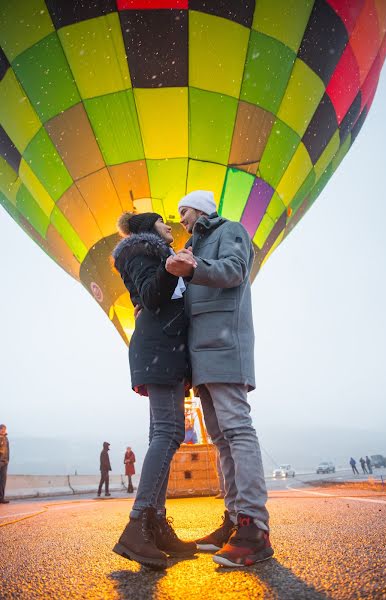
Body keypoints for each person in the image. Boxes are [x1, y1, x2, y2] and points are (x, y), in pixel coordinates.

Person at [165, 190, 273, 568]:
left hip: (225, 345)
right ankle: (232, 520)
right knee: (222, 439)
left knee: (237, 430)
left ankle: (254, 527)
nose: (179, 217)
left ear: (202, 209)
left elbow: (234, 270)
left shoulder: (231, 230)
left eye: (184, 210)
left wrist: (193, 269)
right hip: (200, 354)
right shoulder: (190, 245)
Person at [111, 211, 197, 570]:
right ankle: (137, 523)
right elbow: (150, 295)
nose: (169, 226)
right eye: (163, 221)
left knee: (162, 432)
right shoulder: (142, 251)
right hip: (159, 345)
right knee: (169, 431)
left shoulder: (154, 252)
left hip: (166, 347)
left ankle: (157, 525)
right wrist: (171, 269)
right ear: (148, 227)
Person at [0, 424, 10, 504]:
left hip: (5, 462)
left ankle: (1, 498)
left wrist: (7, 460)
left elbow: (7, 450)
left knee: (3, 481)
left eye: (4, 429)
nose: (3, 430)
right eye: (2, 429)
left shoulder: (6, 438)